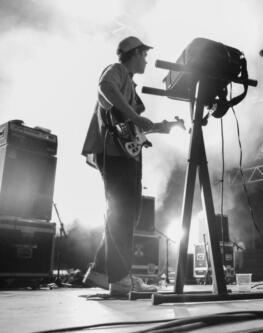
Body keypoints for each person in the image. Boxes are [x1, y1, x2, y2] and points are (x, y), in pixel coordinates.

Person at [81, 36, 158, 296]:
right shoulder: (116, 71)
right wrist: (136, 116)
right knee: (123, 213)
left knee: (124, 213)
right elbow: (105, 87)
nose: (146, 59)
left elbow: (133, 127)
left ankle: (101, 271)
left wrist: (161, 127)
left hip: (122, 153)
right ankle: (121, 278)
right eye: (144, 54)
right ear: (133, 53)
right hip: (113, 153)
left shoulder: (131, 86)